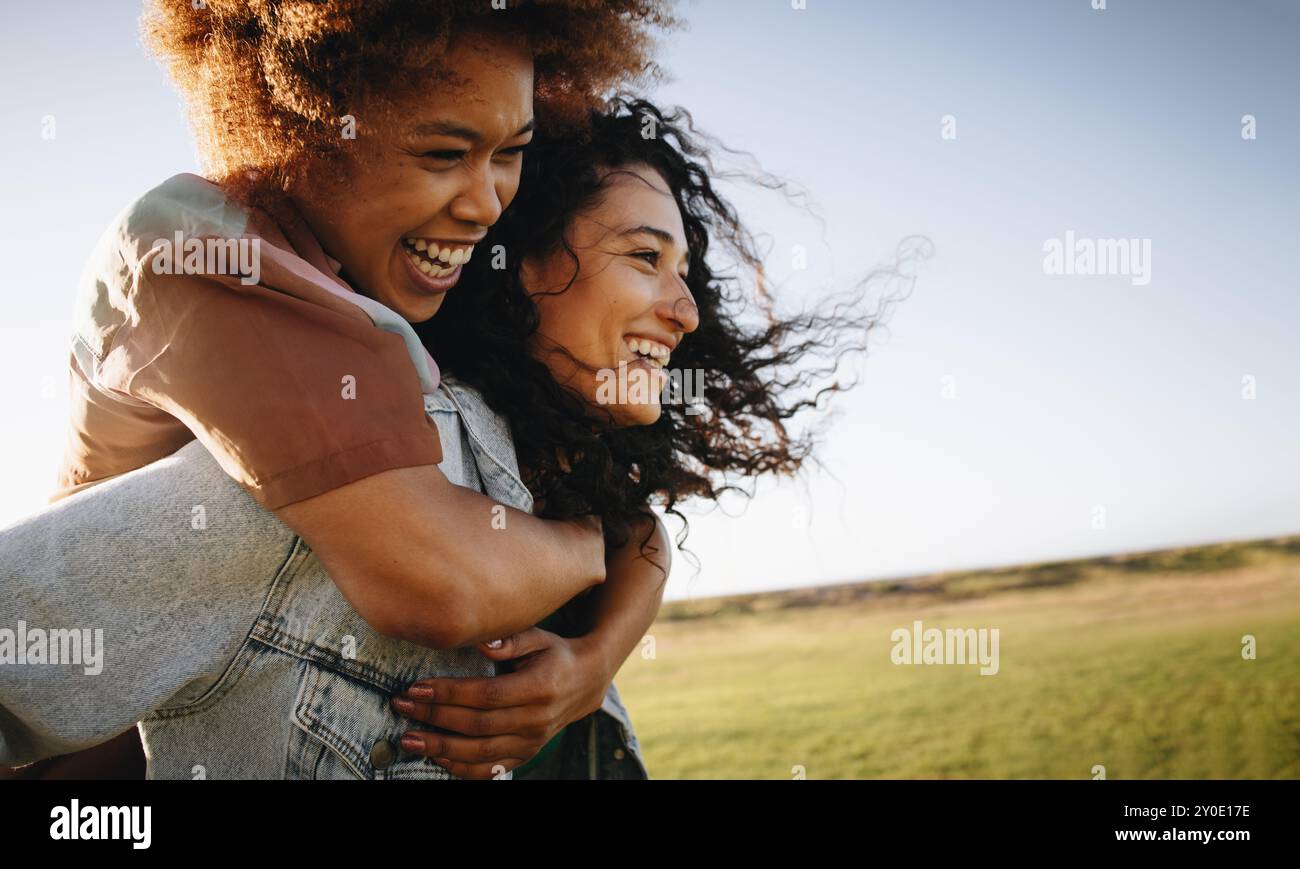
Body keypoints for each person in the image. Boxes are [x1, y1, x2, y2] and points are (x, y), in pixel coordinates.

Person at [2, 97, 911, 778]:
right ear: (517, 267)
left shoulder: (560, 493)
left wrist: (591, 664)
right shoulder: (354, 470)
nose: (684, 310)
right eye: (645, 258)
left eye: (685, 272)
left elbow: (634, 532)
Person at [16, 0, 675, 778]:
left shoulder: (383, 278)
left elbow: (630, 518)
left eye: (511, 152)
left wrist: (592, 664)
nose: (486, 202)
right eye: (443, 153)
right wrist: (584, 542)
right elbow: (440, 579)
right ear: (303, 127)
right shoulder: (197, 250)